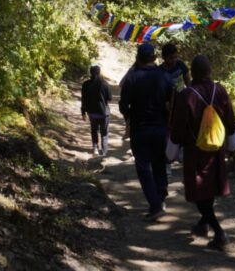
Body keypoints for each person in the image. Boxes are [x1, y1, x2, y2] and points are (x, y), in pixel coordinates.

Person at [169, 55, 235, 250]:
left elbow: (178, 127)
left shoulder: (187, 95)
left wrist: (171, 152)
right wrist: (233, 146)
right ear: (210, 71)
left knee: (200, 192)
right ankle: (202, 224)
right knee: (209, 189)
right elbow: (231, 121)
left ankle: (219, 233)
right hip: (217, 150)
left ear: (193, 72)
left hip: (195, 151)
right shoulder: (221, 90)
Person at [119, 43, 174, 220]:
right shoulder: (164, 76)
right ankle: (161, 195)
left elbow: (123, 104)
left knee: (143, 167)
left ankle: (156, 204)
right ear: (154, 58)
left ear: (139, 58)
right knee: (159, 163)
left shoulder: (132, 77)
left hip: (140, 129)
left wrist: (129, 117)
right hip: (160, 129)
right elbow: (172, 100)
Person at [160, 42, 190, 177]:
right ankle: (167, 164)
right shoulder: (159, 71)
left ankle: (181, 155)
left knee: (183, 130)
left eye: (175, 57)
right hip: (165, 108)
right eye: (171, 58)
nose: (174, 60)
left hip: (181, 104)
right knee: (167, 135)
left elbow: (188, 81)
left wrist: (190, 96)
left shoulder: (180, 66)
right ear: (164, 58)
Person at [81, 65, 112, 156]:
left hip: (92, 113)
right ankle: (104, 151)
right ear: (99, 72)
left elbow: (84, 99)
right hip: (104, 113)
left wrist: (83, 112)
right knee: (104, 132)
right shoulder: (105, 83)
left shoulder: (86, 84)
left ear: (90, 73)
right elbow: (109, 98)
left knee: (94, 130)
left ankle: (95, 148)